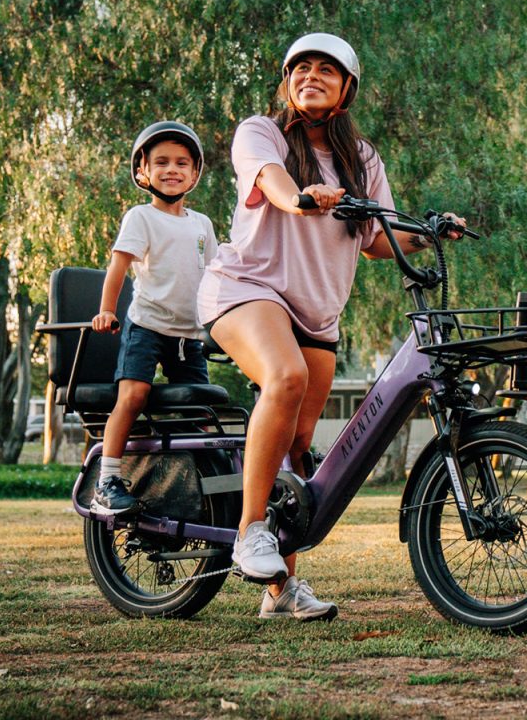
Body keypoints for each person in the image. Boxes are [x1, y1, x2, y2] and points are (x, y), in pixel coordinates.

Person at [197, 33, 467, 622]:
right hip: (247, 289)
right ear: (287, 79)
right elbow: (272, 183)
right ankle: (248, 534)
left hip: (317, 311)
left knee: (297, 447)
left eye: (326, 70)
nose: (311, 76)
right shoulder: (260, 132)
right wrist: (303, 200)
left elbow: (377, 237)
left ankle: (282, 592)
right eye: (301, 68)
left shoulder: (362, 159)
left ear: (346, 89)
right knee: (285, 377)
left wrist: (427, 230)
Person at [90, 122, 218, 517]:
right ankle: (107, 480)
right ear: (143, 172)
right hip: (146, 325)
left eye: (182, 162)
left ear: (195, 174)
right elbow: (118, 266)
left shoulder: (202, 225)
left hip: (188, 335)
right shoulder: (141, 217)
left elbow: (217, 276)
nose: (172, 169)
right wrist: (107, 309)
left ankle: (211, 482)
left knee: (202, 412)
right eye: (160, 162)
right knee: (133, 395)